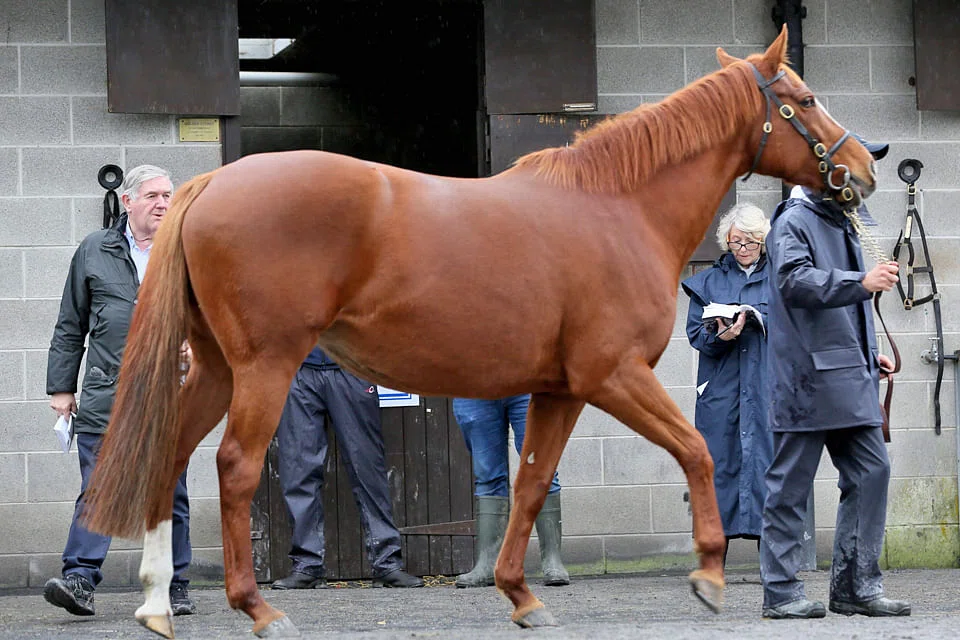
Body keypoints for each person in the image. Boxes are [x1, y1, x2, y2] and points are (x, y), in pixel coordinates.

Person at [759, 135, 911, 619]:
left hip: (847, 375)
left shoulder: (838, 218)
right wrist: (860, 281)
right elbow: (793, 281)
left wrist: (868, 354)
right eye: (855, 167)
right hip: (806, 380)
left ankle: (855, 587)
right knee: (790, 487)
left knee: (872, 471)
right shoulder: (794, 220)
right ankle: (781, 593)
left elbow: (840, 309)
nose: (863, 179)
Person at [44, 165, 195, 617]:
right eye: (152, 196)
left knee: (169, 494)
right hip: (105, 392)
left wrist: (197, 344)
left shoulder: (187, 250)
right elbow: (70, 324)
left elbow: (212, 314)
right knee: (98, 490)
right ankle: (79, 581)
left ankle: (173, 586)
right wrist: (61, 387)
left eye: (168, 195)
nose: (163, 204)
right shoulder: (95, 249)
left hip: (167, 393)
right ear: (127, 202)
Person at [271, 347, 423, 589]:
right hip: (297, 369)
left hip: (351, 366)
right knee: (298, 472)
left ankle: (386, 564)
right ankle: (307, 565)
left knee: (367, 468)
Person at [681, 203, 773, 567]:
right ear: (727, 241)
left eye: (750, 241)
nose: (743, 248)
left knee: (770, 468)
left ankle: (774, 564)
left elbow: (801, 329)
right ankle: (713, 563)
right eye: (736, 242)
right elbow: (696, 334)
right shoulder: (709, 281)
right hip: (721, 391)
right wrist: (723, 335)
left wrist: (762, 320)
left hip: (767, 388)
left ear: (763, 240)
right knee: (717, 468)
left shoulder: (782, 276)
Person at [452, 395, 569, 588]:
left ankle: (553, 562)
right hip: (474, 390)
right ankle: (487, 565)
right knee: (487, 476)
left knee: (542, 469)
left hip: (528, 388)